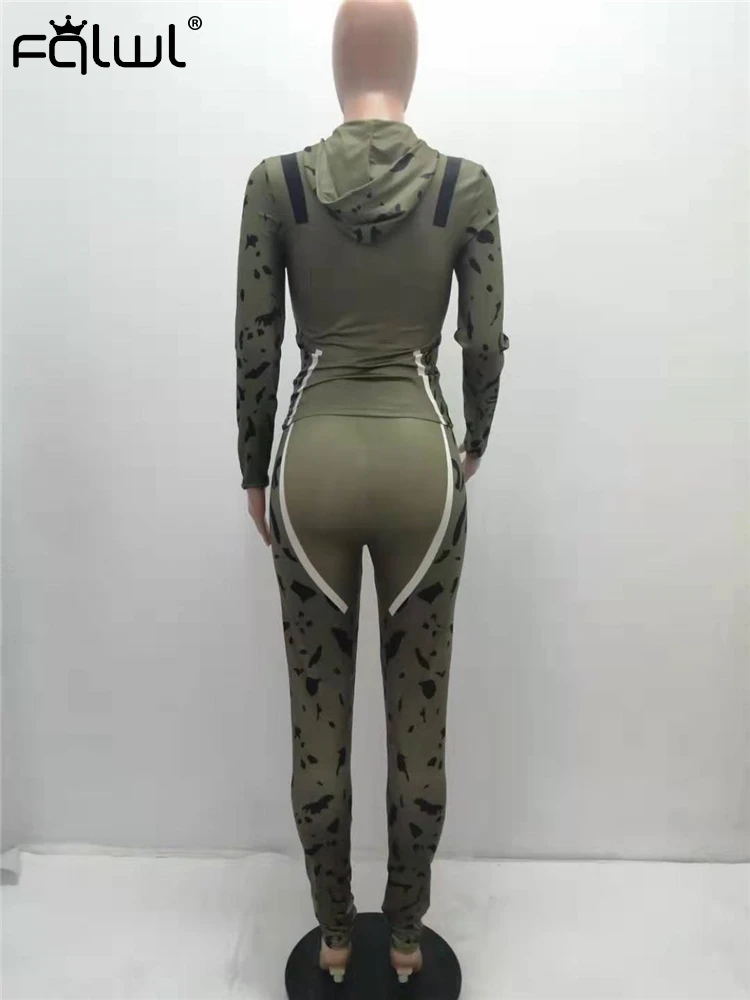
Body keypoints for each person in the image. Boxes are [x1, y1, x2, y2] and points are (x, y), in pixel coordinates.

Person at [234, 12, 508, 987]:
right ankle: (405, 940)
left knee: (318, 719)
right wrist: (473, 443)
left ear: (337, 62)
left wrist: (254, 470)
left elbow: (256, 338)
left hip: (310, 463)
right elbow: (485, 335)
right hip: (421, 467)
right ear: (411, 65)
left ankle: (334, 938)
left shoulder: (275, 185)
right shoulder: (464, 186)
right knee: (418, 722)